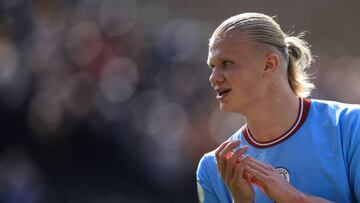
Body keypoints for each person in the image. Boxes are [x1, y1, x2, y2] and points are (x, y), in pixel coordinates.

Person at [196, 12, 360, 203]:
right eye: (212, 66)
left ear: (269, 64)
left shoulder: (350, 126)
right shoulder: (213, 167)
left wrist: (294, 198)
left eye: (226, 63)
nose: (214, 78)